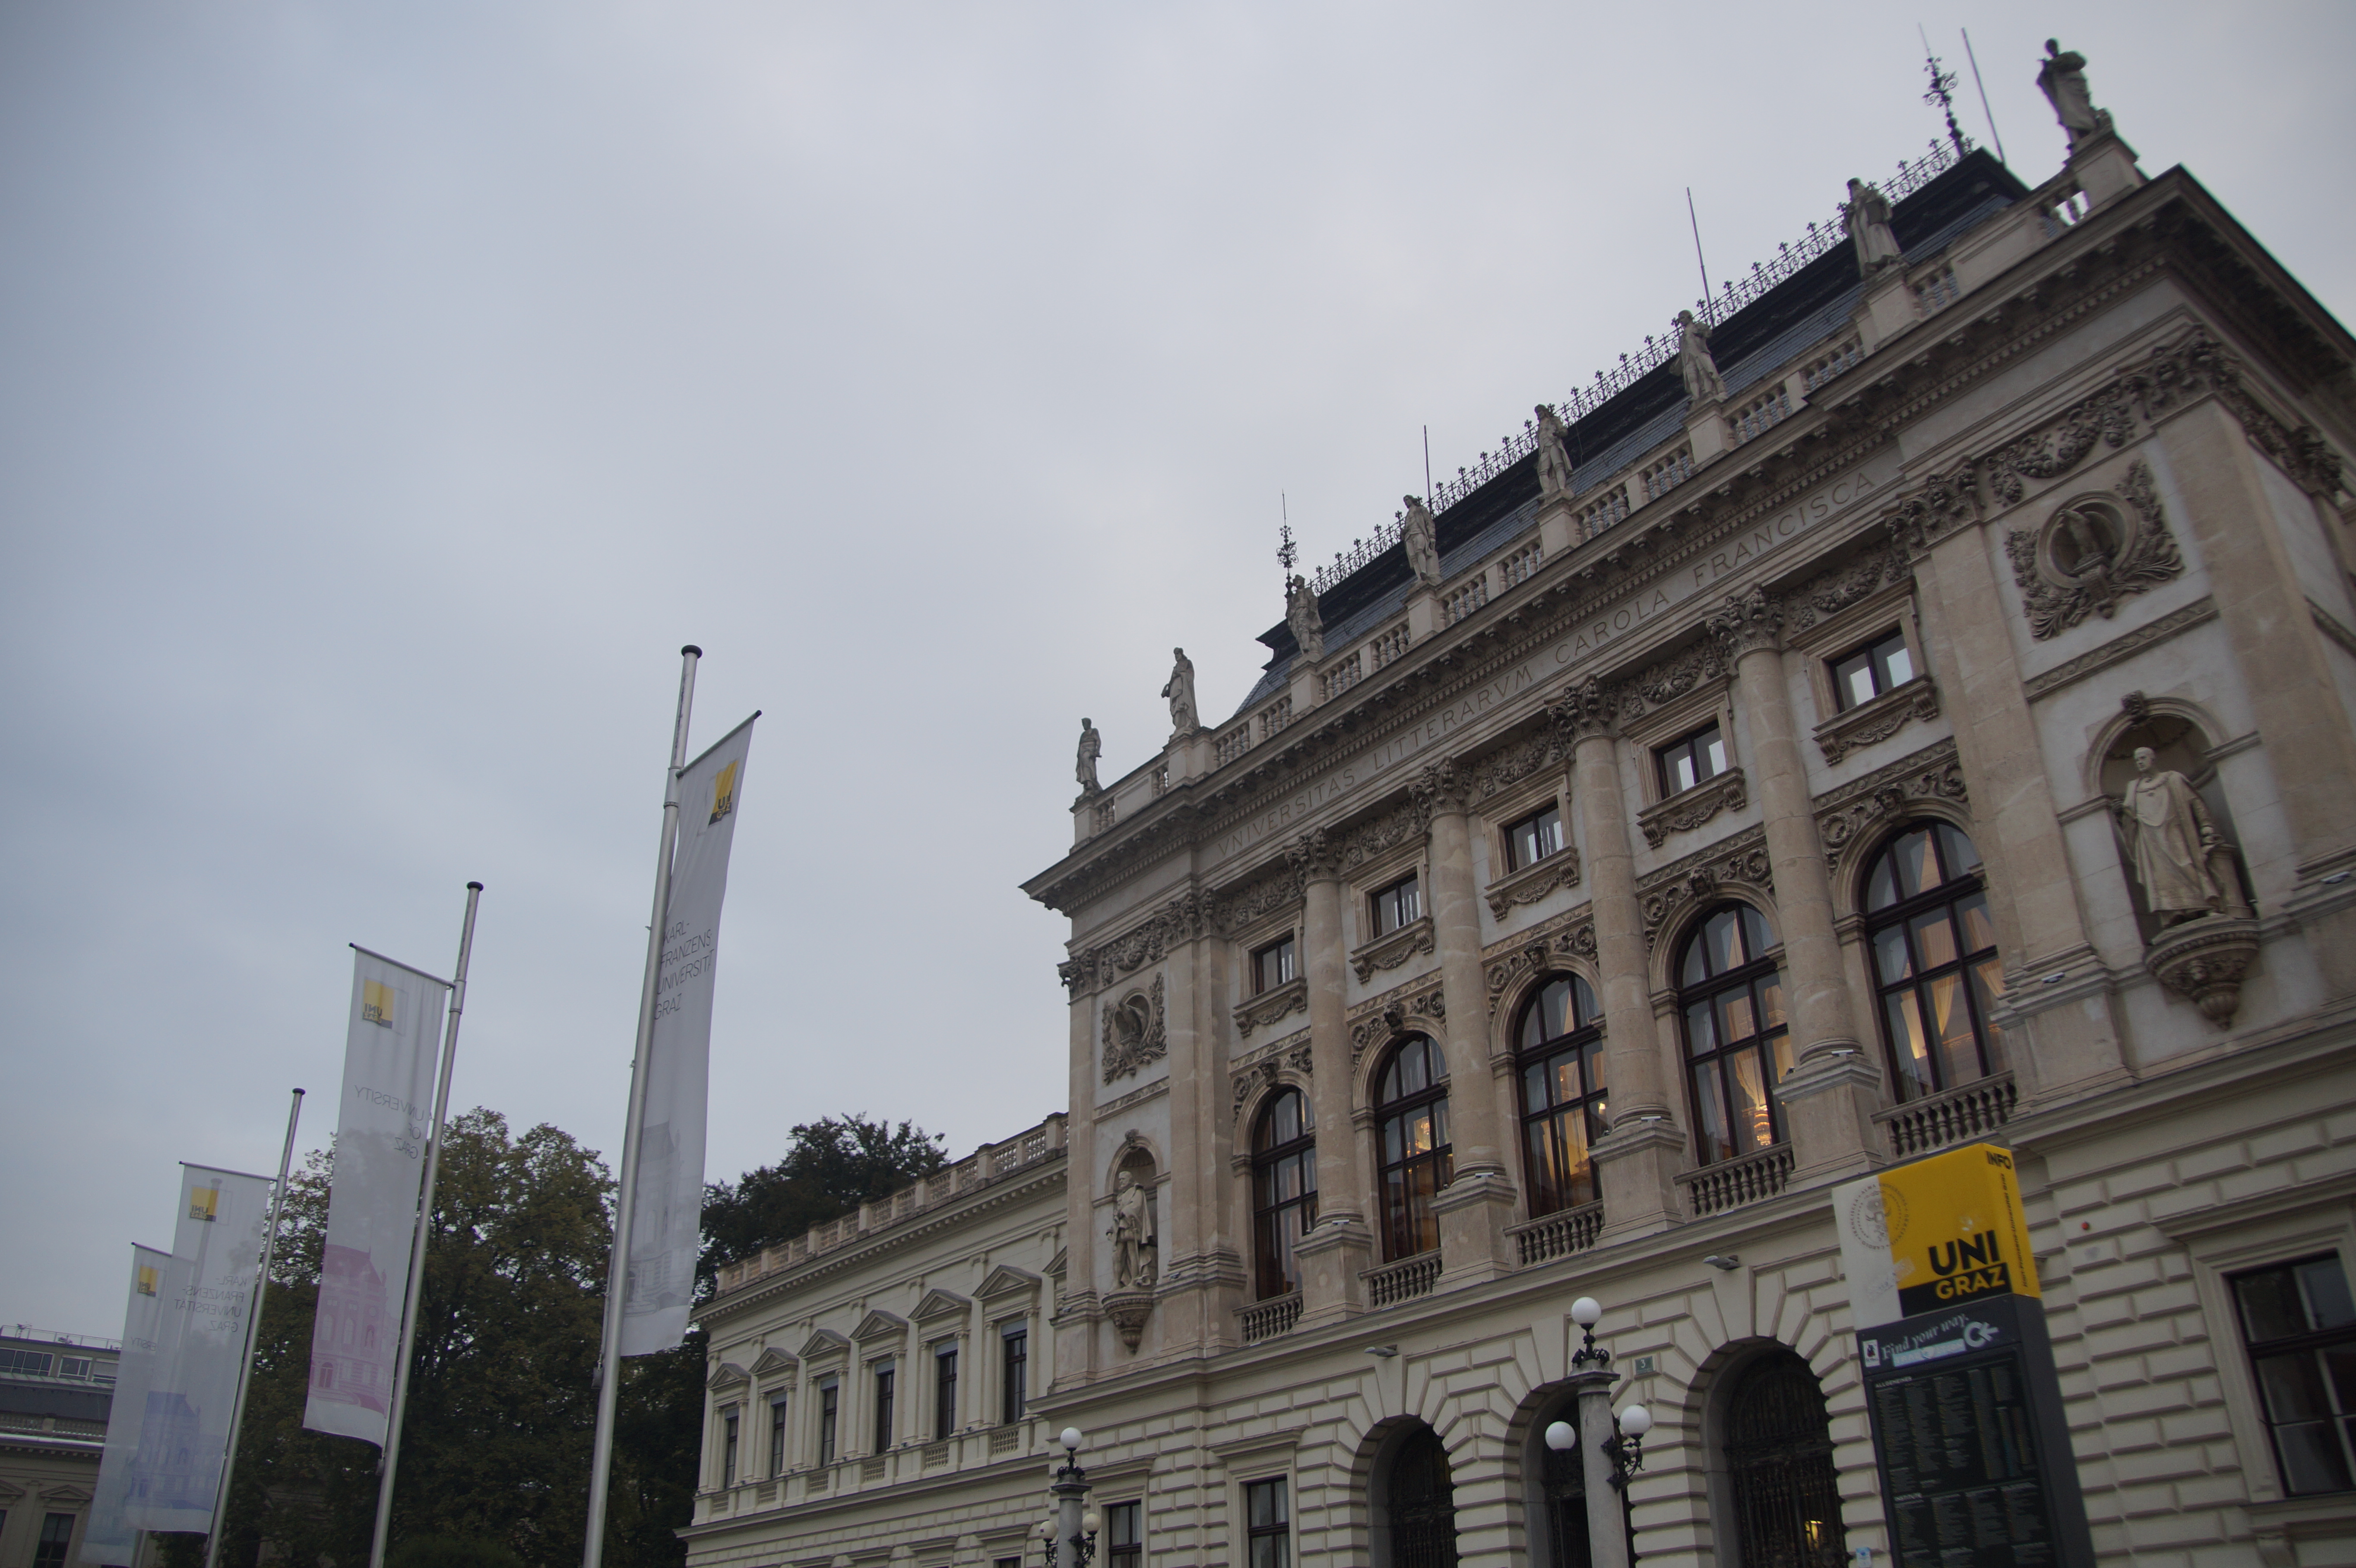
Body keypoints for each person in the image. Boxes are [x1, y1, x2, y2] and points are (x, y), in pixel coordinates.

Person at [2114, 746, 2225, 926]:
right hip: (2150, 840)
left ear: (2153, 759)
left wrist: (2206, 825)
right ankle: (2174, 912)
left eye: (2143, 758)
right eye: (2137, 760)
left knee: (2187, 865)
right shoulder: (2134, 787)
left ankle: (2206, 904)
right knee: (2160, 877)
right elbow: (2131, 818)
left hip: (2175, 831)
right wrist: (2121, 815)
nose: (2139, 762)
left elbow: (2195, 802)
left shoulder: (2173, 779)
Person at [2036, 39, 2103, 149]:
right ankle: (2075, 139)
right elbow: (2042, 81)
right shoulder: (2050, 67)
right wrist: (2046, 70)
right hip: (2063, 91)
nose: (2052, 49)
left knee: (2082, 109)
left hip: (2075, 86)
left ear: (2057, 46)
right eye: (2050, 48)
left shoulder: (2069, 56)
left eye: (2053, 46)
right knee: (2067, 111)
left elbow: (2081, 62)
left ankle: (2092, 128)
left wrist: (2058, 63)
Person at [1844, 178, 1902, 273]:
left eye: (1856, 185)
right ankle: (1871, 266)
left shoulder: (1871, 195)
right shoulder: (1851, 207)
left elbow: (1883, 204)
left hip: (1874, 223)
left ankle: (1888, 257)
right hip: (1862, 233)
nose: (1855, 188)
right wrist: (1850, 216)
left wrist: (1881, 202)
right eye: (1852, 188)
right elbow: (1847, 227)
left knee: (1877, 235)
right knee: (1865, 245)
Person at [1111, 1171, 1154, 1289]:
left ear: (1129, 1180)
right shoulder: (1121, 1195)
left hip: (1131, 1226)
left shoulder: (1137, 1191)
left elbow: (1137, 1206)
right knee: (1117, 1256)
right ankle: (1117, 1282)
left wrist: (1124, 1212)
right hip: (1120, 1227)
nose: (1121, 1182)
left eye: (1123, 1179)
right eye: (1120, 1180)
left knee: (1132, 1253)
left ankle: (1135, 1279)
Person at [1675, 310, 1726, 405]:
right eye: (1680, 320)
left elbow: (1708, 333)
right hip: (1688, 359)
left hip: (1699, 354)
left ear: (1689, 317)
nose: (1681, 321)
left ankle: (1709, 392)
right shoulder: (1682, 338)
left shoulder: (1697, 327)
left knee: (1705, 374)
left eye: (1682, 318)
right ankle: (1696, 397)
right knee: (1692, 378)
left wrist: (1701, 333)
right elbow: (1682, 353)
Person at [1535, 404, 1575, 500]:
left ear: (1545, 411)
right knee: (1542, 470)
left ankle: (1562, 488)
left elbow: (1564, 431)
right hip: (1544, 449)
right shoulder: (1540, 427)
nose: (1540, 414)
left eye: (1541, 411)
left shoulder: (1553, 420)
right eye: (1538, 413)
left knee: (1558, 465)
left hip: (1553, 444)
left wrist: (1558, 433)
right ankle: (1547, 492)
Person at [1401, 495, 1441, 588]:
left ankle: (1424, 572)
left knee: (1419, 551)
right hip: (1409, 537)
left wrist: (1432, 536)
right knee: (1413, 557)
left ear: (1412, 500)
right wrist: (1404, 533)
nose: (1406, 503)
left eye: (1407, 500)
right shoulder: (1408, 515)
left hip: (1418, 533)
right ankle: (1420, 578)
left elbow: (1429, 523)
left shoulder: (1420, 510)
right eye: (1405, 501)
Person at [1286, 574, 1326, 663]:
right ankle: (1304, 650)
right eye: (1296, 581)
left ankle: (1307, 646)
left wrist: (1312, 610)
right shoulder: (1294, 597)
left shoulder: (1307, 591)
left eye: (1299, 580)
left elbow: (1313, 599)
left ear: (1303, 582)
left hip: (1304, 610)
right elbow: (1291, 608)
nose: (1297, 582)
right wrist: (1289, 615)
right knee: (1298, 634)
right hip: (1295, 614)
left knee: (1303, 628)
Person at [1162, 648, 1197, 733]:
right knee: (1176, 708)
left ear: (1181, 654)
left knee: (1184, 704)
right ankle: (1179, 727)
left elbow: (1190, 676)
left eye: (1178, 654)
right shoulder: (1175, 667)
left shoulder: (1187, 663)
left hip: (1184, 689)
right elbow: (1171, 682)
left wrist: (1181, 674)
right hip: (1175, 690)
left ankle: (1188, 724)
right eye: (1175, 655)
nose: (1176, 656)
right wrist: (1167, 692)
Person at [1075, 717, 1102, 794]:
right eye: (1083, 724)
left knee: (1088, 765)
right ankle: (1088, 782)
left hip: (1090, 749)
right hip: (1082, 750)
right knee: (1085, 766)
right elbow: (1080, 745)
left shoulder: (1094, 731)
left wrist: (1097, 751)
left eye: (1085, 724)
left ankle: (1091, 782)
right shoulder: (1083, 734)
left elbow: (1098, 741)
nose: (1084, 726)